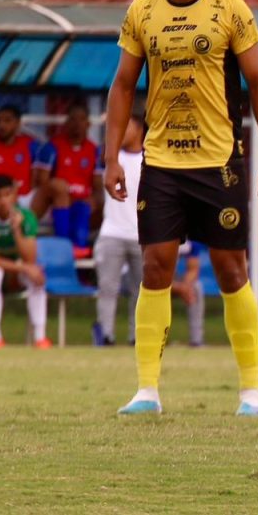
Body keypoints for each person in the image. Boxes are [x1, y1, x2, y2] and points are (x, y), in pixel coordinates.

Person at [104, 0, 258, 416]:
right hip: (161, 162)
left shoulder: (231, 9)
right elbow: (122, 86)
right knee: (157, 267)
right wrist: (112, 155)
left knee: (231, 269)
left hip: (220, 162)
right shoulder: (141, 11)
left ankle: (251, 390)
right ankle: (147, 391)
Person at [0, 174, 49, 349]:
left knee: (36, 277)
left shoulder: (27, 216)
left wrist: (16, 230)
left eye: (7, 195)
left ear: (15, 195)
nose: (3, 201)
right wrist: (23, 267)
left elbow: (30, 258)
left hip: (17, 269)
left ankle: (40, 337)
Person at [92, 114, 145, 346]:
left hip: (141, 235)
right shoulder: (109, 157)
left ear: (140, 129)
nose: (120, 132)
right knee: (107, 288)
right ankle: (105, 335)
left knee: (141, 291)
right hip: (111, 232)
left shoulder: (150, 158)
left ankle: (138, 337)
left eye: (127, 126)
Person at [32, 102, 103, 254]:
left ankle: (80, 257)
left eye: (81, 119)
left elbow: (98, 186)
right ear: (66, 122)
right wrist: (67, 196)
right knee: (59, 187)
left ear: (88, 124)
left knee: (98, 203)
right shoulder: (51, 147)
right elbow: (43, 183)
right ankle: (62, 245)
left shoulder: (95, 151)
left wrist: (94, 199)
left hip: (82, 204)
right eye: (73, 119)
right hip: (55, 203)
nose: (77, 124)